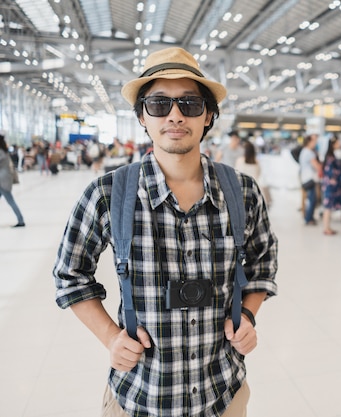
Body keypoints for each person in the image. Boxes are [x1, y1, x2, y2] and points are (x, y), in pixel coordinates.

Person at [53, 47, 278, 417]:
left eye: (189, 104)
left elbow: (263, 263)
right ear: (143, 115)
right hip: (140, 396)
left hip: (223, 393)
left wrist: (249, 316)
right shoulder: (108, 194)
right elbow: (69, 274)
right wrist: (111, 336)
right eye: (159, 104)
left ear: (208, 116)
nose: (175, 115)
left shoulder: (243, 191)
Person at [321, 137, 341, 235]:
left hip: (331, 185)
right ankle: (326, 228)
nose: (339, 144)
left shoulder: (331, 156)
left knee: (328, 207)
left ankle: (327, 227)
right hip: (331, 186)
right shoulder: (331, 158)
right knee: (327, 207)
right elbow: (331, 172)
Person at [235, 140, 271, 207]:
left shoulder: (240, 160)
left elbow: (236, 173)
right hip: (256, 188)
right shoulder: (257, 162)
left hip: (242, 189)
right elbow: (259, 173)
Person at [0, 134, 26, 227]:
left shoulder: (1, 152)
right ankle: (20, 219)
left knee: (11, 201)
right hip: (4, 180)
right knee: (11, 201)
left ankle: (21, 220)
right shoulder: (4, 151)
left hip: (2, 181)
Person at [299, 134, 322, 225]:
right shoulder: (309, 153)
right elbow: (317, 166)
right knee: (313, 199)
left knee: (310, 199)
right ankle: (309, 218)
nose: (315, 143)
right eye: (314, 141)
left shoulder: (304, 151)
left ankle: (308, 217)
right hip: (310, 179)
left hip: (304, 178)